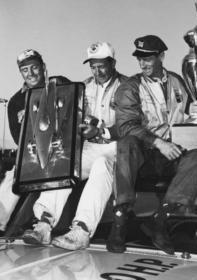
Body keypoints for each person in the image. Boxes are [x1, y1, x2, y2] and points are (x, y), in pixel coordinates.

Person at [106, 35, 197, 255]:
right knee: (126, 143)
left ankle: (160, 221)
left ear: (161, 56)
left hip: (171, 154)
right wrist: (158, 142)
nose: (142, 63)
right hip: (144, 157)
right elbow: (125, 126)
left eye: (148, 58)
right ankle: (120, 220)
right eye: (139, 58)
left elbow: (189, 114)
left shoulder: (178, 81)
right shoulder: (130, 87)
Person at [22, 42, 128, 250]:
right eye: (93, 66)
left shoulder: (127, 86)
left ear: (113, 63)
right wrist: (33, 114)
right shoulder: (84, 86)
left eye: (102, 65)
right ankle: (43, 224)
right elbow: (63, 117)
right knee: (64, 163)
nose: (97, 71)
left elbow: (131, 124)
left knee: (101, 166)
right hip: (89, 145)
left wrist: (101, 129)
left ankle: (81, 230)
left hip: (117, 147)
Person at [0, 49, 70, 234]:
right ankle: (0, 223)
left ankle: (43, 222)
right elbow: (18, 140)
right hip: (34, 154)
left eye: (34, 67)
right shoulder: (16, 101)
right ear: (20, 73)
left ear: (43, 67)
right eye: (25, 70)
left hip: (62, 151)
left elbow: (70, 112)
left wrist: (35, 113)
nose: (30, 73)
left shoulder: (60, 83)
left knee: (55, 173)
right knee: (12, 176)